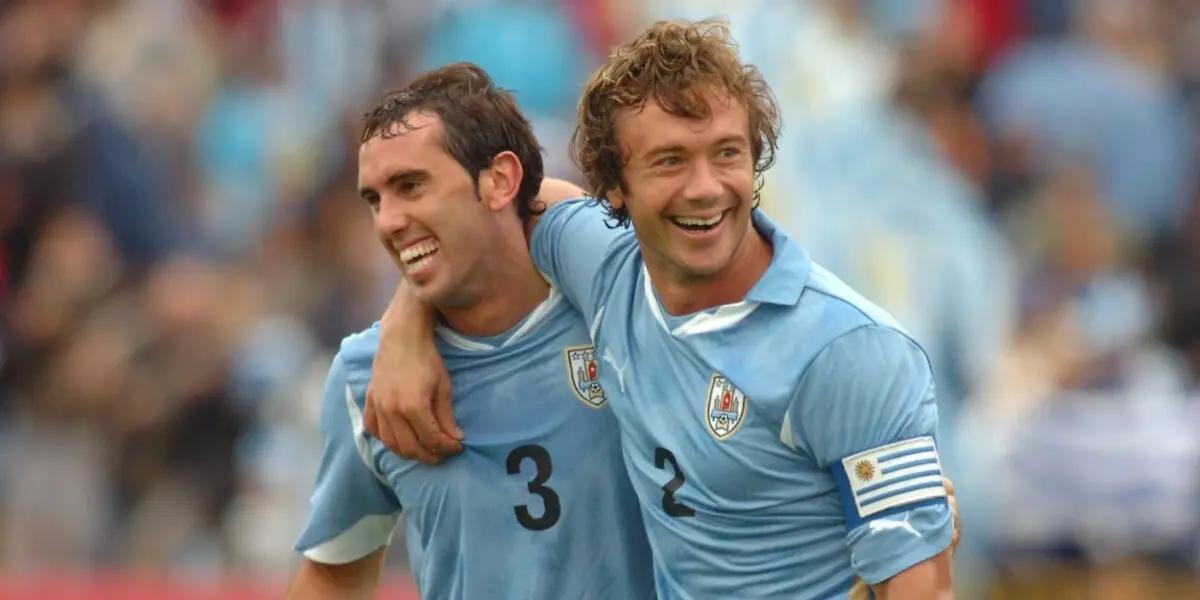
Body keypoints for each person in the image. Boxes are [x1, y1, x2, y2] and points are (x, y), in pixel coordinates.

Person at [368, 21, 957, 599]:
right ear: (614, 188)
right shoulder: (604, 266)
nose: (705, 187)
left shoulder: (850, 349)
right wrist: (406, 321)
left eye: (726, 153)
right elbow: (492, 215)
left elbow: (922, 587)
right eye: (670, 161)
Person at [286, 63, 656, 600]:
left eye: (411, 186)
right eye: (375, 199)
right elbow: (334, 573)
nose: (387, 221)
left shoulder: (618, 304)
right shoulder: (364, 377)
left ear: (500, 181)